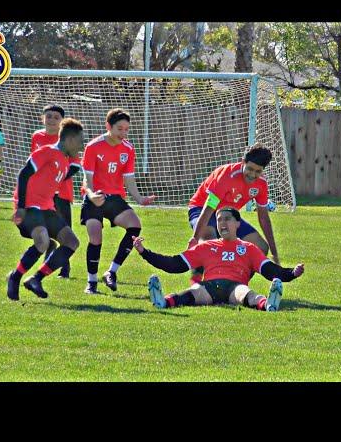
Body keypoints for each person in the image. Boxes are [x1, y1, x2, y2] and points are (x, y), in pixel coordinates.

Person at [132, 207, 304, 312]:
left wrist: (291, 273)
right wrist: (144, 252)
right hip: (209, 288)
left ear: (238, 224)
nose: (222, 223)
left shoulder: (248, 248)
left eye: (227, 219)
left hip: (234, 287)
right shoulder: (207, 246)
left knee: (246, 294)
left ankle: (268, 304)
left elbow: (270, 271)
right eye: (219, 220)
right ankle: (162, 302)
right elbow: (174, 264)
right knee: (190, 293)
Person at [6, 118, 83, 301]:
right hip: (30, 206)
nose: (81, 146)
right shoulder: (47, 152)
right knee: (42, 241)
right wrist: (22, 208)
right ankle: (14, 277)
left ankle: (36, 279)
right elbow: (24, 174)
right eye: (80, 141)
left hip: (47, 208)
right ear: (70, 140)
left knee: (72, 242)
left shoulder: (65, 160)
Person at [80, 108, 156, 294]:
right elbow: (87, 178)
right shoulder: (93, 147)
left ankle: (111, 272)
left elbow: (129, 179)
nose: (123, 133)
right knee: (95, 237)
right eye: (119, 129)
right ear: (108, 126)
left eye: (126, 129)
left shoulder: (128, 149)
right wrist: (91, 195)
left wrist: (140, 199)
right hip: (95, 197)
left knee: (135, 226)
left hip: (114, 198)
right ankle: (91, 283)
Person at [187, 143, 280, 284]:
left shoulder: (261, 184)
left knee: (261, 247)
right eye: (249, 169)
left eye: (258, 171)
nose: (252, 175)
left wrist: (274, 252)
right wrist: (195, 238)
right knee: (209, 243)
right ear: (243, 162)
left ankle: (236, 282)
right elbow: (208, 209)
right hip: (201, 208)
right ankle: (197, 283)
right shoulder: (226, 176)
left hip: (227, 214)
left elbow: (264, 218)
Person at [30, 104, 74, 279]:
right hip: (42, 193)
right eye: (49, 116)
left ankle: (65, 268)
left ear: (62, 121)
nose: (52, 120)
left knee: (65, 230)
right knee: (45, 229)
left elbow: (74, 165)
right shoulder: (37, 136)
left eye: (56, 117)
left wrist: (57, 178)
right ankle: (49, 259)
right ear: (43, 118)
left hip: (62, 192)